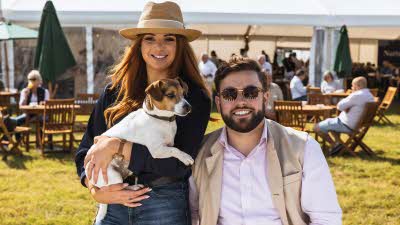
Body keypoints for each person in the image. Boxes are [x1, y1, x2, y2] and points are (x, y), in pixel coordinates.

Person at [74, 2, 211, 224]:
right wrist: (94, 188)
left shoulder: (193, 98)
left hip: (163, 204)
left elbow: (179, 164)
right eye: (149, 38)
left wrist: (117, 146)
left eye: (169, 38)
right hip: (113, 206)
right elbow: (85, 149)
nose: (159, 47)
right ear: (139, 45)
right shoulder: (114, 91)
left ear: (180, 46)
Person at [189, 57, 342, 225]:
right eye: (229, 94)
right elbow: (192, 216)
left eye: (251, 92)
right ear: (218, 103)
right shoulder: (198, 154)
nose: (241, 101)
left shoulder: (303, 147)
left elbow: (326, 219)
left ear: (265, 97)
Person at [314, 77, 374, 155]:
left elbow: (340, 106)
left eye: (352, 85)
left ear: (357, 86)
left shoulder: (357, 95)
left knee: (316, 127)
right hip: (357, 125)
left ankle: (335, 145)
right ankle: (339, 145)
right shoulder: (369, 95)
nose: (352, 87)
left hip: (347, 124)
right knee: (333, 125)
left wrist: (352, 94)